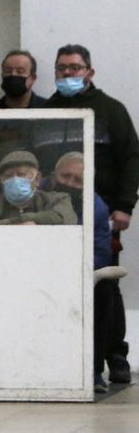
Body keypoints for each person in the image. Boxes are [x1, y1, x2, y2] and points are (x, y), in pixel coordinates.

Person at [40, 44, 139, 382]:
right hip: (53, 214)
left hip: (102, 213)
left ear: (89, 72)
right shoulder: (45, 111)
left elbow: (131, 159)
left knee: (105, 282)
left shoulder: (111, 110)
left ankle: (115, 354)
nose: (68, 74)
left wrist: (124, 207)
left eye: (75, 68)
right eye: (62, 68)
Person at [45, 152, 114, 392]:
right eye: (66, 176)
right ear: (54, 174)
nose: (71, 184)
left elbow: (101, 253)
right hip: (36, 269)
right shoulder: (35, 193)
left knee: (103, 290)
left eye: (78, 180)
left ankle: (93, 371)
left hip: (76, 273)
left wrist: (70, 267)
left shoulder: (97, 208)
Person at [0, 50, 47, 195]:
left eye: (20, 71)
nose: (13, 76)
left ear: (32, 78)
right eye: (8, 71)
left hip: (40, 191)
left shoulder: (49, 113)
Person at [0, 150, 77, 225]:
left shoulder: (57, 199)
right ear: (0, 181)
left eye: (21, 174)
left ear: (38, 179)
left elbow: (65, 219)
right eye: (8, 176)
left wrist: (13, 221)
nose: (15, 180)